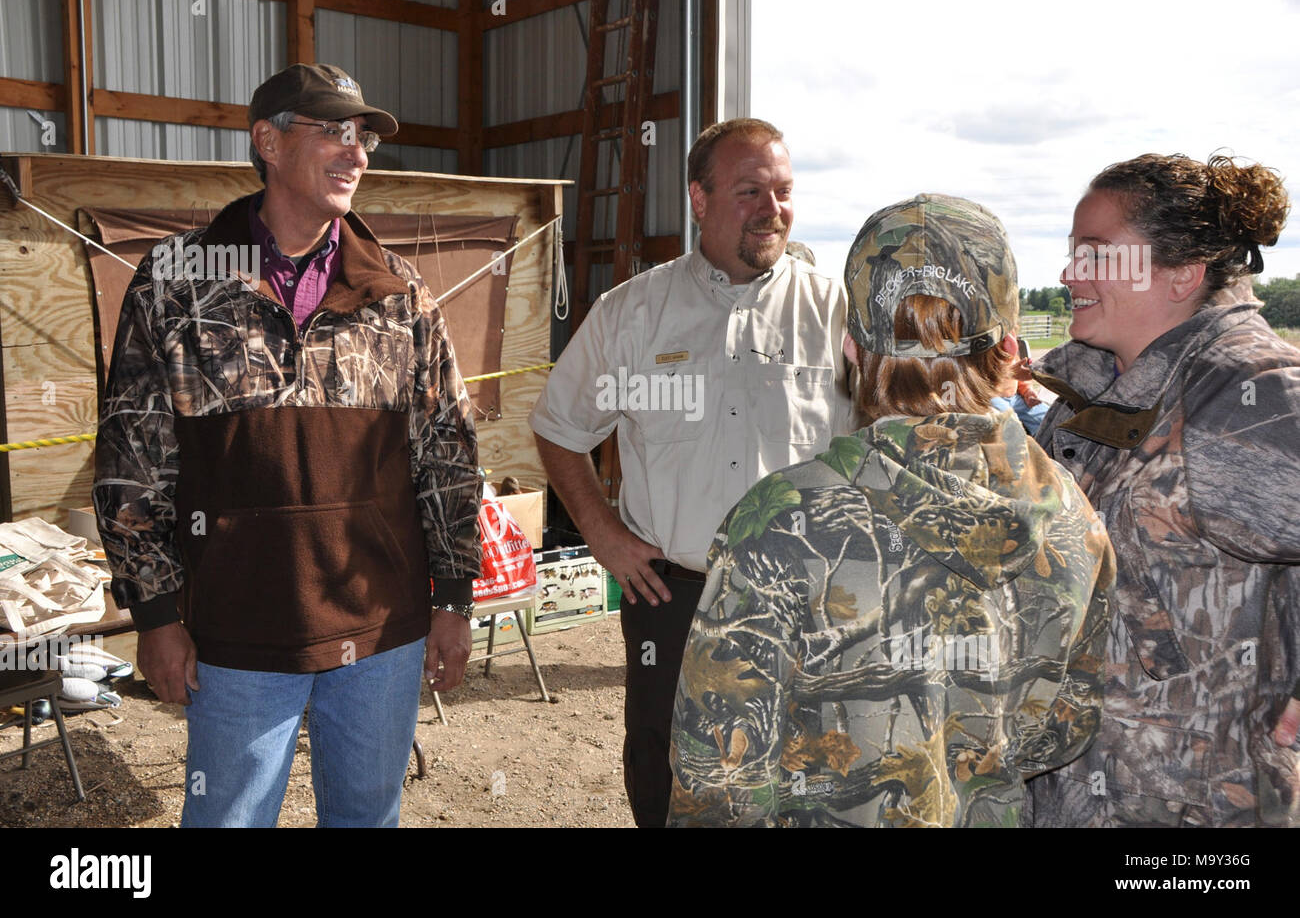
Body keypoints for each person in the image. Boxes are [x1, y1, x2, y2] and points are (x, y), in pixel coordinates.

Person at [93, 63, 482, 827]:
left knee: (366, 817)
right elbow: (131, 464)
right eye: (332, 130)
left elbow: (448, 455)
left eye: (362, 134)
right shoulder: (176, 284)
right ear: (266, 142)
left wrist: (455, 597)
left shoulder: (401, 294)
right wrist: (156, 613)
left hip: (381, 632)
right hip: (239, 633)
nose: (357, 150)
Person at [667, 194, 1114, 827]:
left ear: (850, 347)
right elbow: (1067, 728)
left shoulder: (780, 523)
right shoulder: (1072, 513)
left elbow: (717, 785)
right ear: (1012, 348)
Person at [530, 118, 855, 827]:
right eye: (750, 191)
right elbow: (558, 429)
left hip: (803, 604)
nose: (774, 209)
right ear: (699, 200)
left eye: (784, 191)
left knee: (805, 775)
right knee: (665, 774)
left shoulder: (835, 315)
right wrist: (604, 534)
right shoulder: (634, 315)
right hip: (673, 601)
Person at [1028, 153, 1300, 827]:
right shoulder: (1087, 395)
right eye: (1072, 253)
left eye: (1095, 255)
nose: (1068, 274)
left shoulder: (1244, 396)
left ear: (1185, 270)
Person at [990, 336, 1050, 434]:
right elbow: (977, 382)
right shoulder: (977, 348)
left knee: (1047, 417)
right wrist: (1008, 373)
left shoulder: (1008, 346)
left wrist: (1027, 392)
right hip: (990, 398)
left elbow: (1019, 379)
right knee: (1009, 421)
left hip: (1015, 398)